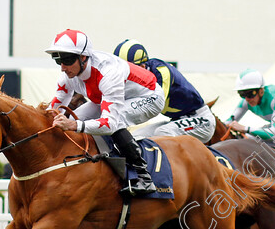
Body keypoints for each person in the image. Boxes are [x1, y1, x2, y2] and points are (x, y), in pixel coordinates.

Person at [45, 29, 165, 195]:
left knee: (114, 121)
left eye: (67, 59)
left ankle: (144, 177)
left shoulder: (108, 72)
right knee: (78, 117)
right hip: (111, 97)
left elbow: (109, 124)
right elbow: (52, 110)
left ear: (83, 57)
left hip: (149, 96)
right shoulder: (68, 74)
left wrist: (72, 125)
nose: (63, 68)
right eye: (58, 60)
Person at [113, 39, 216, 144]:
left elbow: (154, 105)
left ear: (142, 67)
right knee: (135, 135)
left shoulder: (161, 71)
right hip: (177, 120)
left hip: (202, 120)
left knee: (163, 131)